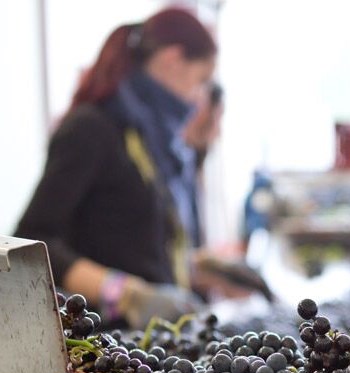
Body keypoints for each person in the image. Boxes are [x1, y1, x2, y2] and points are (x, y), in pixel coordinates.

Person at [15, 7, 270, 329]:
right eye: (201, 80)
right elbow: (33, 240)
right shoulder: (91, 129)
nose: (198, 98)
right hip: (109, 348)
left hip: (157, 345)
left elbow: (131, 242)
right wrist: (126, 295)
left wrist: (204, 269)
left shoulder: (150, 138)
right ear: (173, 60)